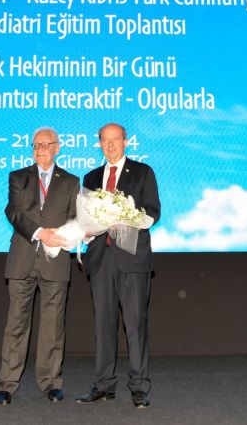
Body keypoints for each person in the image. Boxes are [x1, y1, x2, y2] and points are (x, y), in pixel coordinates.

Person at [75, 123, 161, 409]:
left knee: (135, 325)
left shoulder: (142, 172)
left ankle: (139, 387)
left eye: (115, 139)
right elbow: (84, 216)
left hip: (132, 258)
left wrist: (125, 218)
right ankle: (103, 385)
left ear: (126, 142)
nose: (110, 145)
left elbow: (153, 212)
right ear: (99, 144)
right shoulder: (91, 177)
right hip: (101, 259)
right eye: (105, 140)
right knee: (103, 325)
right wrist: (87, 229)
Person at [0, 127, 80, 406]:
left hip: (55, 260)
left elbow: (75, 219)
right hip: (23, 258)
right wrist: (40, 232)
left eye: (45, 145)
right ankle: (6, 384)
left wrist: (75, 233)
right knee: (16, 324)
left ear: (57, 148)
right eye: (35, 145)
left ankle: (51, 382)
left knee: (53, 326)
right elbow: (13, 212)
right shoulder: (18, 177)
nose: (39, 149)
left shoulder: (71, 181)